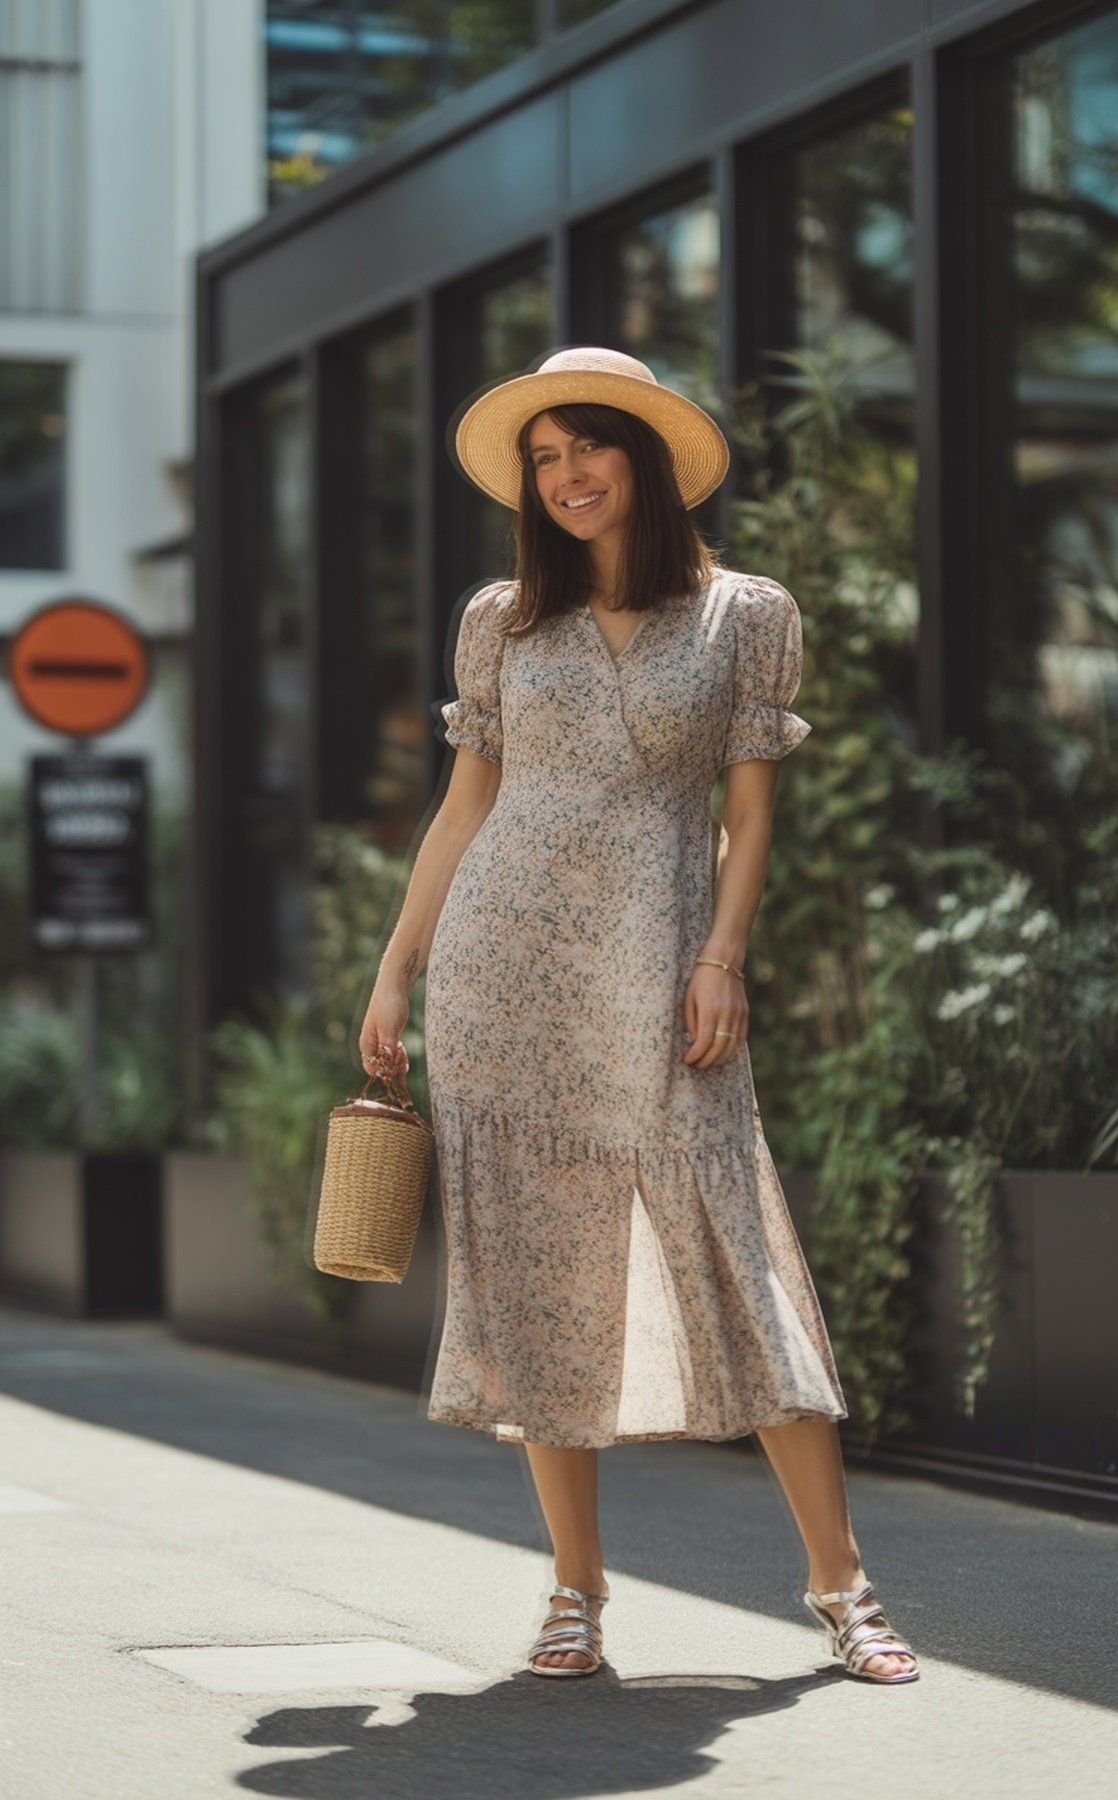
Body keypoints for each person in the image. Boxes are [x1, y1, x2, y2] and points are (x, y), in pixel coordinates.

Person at [358, 346, 919, 1686]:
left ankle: (842, 1590)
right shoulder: (503, 618)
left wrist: (724, 953)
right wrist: (393, 969)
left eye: (589, 449)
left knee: (737, 1241)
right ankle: (574, 1591)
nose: (566, 478)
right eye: (544, 460)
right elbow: (462, 807)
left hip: (662, 959)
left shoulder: (743, 614)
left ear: (649, 459)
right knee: (542, 1267)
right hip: (501, 970)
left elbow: (748, 813)